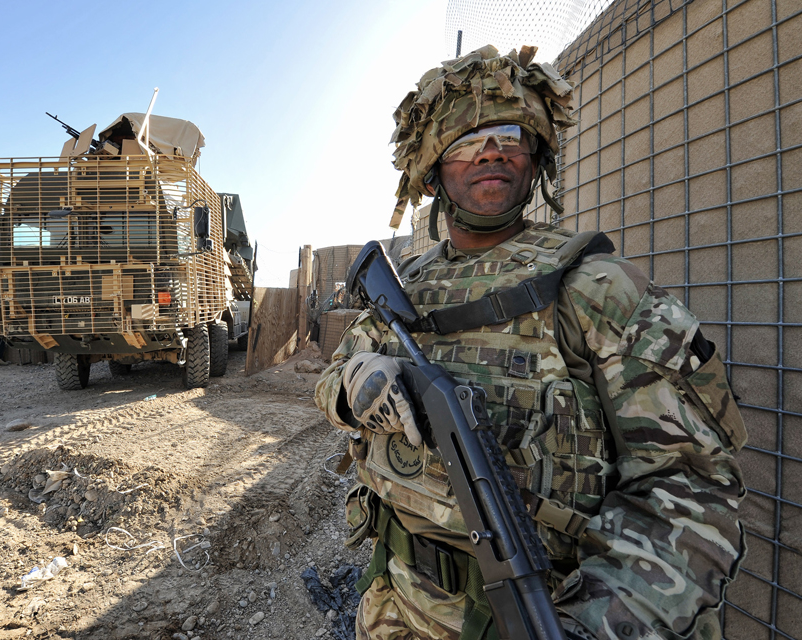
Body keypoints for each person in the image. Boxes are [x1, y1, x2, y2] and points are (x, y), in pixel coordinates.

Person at [315, 45, 747, 640]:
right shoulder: (406, 286)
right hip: (392, 602)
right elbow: (333, 377)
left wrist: (596, 624)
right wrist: (357, 383)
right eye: (467, 141)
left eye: (510, 136)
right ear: (433, 166)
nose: (491, 151)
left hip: (548, 611)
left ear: (535, 155)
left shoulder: (597, 290)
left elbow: (691, 487)